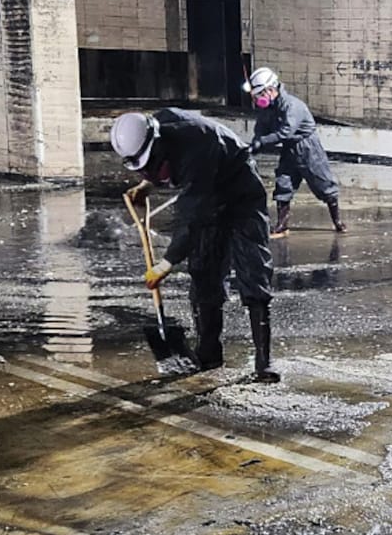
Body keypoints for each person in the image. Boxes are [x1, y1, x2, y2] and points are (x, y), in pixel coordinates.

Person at [110, 108, 279, 382]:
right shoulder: (154, 128)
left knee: (254, 274)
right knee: (203, 273)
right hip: (205, 190)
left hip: (240, 193)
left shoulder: (197, 149)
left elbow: (191, 220)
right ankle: (208, 355)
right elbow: (174, 178)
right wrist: (147, 184)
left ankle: (264, 363)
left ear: (157, 143)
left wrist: (164, 265)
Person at [245, 66, 344, 238]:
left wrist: (263, 141)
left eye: (259, 95)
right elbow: (261, 127)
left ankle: (338, 222)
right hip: (289, 148)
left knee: (323, 184)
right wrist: (255, 143)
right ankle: (282, 226)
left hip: (307, 148)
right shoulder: (268, 109)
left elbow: (285, 132)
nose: (257, 100)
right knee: (284, 183)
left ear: (270, 90)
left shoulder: (292, 106)